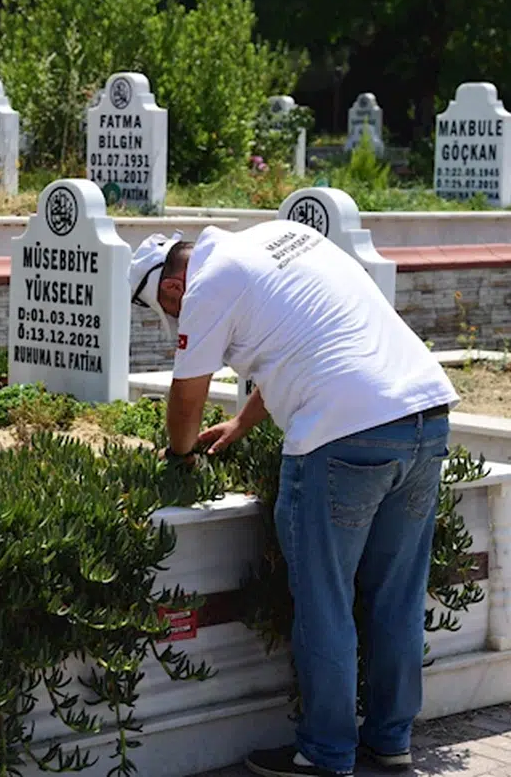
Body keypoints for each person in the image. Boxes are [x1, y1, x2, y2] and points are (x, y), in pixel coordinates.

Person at [128, 221, 459, 777]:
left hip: (343, 435)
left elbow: (187, 397)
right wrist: (241, 422)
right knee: (397, 596)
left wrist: (180, 457)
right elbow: (304, 342)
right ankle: (391, 739)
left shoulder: (206, 286)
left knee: (324, 600)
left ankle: (327, 754)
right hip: (425, 418)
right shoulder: (282, 236)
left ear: (170, 291)